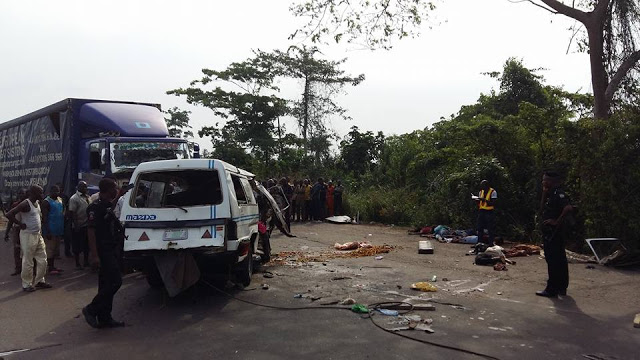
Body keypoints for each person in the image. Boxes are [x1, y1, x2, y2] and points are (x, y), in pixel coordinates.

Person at [82, 177, 125, 328]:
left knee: (105, 283)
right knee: (115, 281)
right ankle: (91, 309)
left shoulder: (105, 205)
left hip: (111, 248)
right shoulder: (94, 207)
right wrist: (94, 256)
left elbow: (109, 210)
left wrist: (119, 196)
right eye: (115, 187)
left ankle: (105, 317)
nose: (117, 189)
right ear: (107, 189)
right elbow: (91, 231)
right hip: (103, 250)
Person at [6, 185, 52, 292]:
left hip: (37, 235)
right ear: (33, 193)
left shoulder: (37, 203)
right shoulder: (26, 204)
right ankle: (26, 284)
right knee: (28, 260)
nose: (42, 195)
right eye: (40, 193)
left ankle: (40, 281)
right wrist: (20, 224)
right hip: (28, 236)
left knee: (43, 259)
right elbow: (9, 214)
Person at [536, 171, 573, 298]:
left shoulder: (559, 193)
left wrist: (556, 222)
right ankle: (561, 287)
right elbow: (541, 210)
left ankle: (552, 289)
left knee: (554, 260)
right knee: (559, 259)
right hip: (550, 232)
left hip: (554, 233)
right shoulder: (550, 194)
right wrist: (544, 193)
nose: (543, 182)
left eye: (545, 180)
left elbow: (568, 208)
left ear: (551, 181)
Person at [42, 185, 65, 274]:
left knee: (56, 249)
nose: (56, 193)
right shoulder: (46, 202)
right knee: (49, 249)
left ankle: (53, 266)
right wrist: (47, 230)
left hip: (58, 228)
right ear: (50, 191)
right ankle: (50, 267)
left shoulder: (60, 200)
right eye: (55, 191)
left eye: (58, 191)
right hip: (50, 229)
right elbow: (45, 217)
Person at [4, 188, 27, 276]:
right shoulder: (15, 205)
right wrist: (7, 232)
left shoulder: (29, 205)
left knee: (27, 250)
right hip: (17, 229)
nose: (21, 195)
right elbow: (10, 219)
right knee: (17, 249)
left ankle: (27, 268)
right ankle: (18, 268)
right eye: (19, 193)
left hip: (26, 229)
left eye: (23, 193)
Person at [68, 181, 91, 269]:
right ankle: (77, 263)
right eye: (83, 187)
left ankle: (86, 262)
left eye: (86, 187)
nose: (85, 189)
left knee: (86, 245)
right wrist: (76, 225)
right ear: (79, 187)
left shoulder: (88, 197)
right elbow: (72, 212)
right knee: (77, 245)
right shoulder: (74, 198)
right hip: (78, 225)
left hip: (87, 225)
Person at [474, 180, 497, 246]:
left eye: (483, 186)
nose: (482, 187)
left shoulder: (493, 192)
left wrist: (484, 200)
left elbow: (493, 203)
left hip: (489, 212)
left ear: (487, 185)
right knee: (479, 227)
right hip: (481, 211)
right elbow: (479, 203)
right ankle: (479, 243)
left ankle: (490, 243)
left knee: (490, 228)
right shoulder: (481, 192)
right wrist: (477, 200)